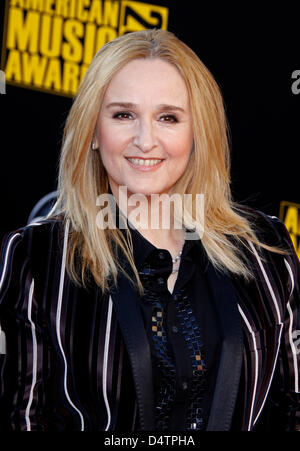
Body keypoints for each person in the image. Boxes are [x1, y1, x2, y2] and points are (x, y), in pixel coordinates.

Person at [0, 29, 299, 432]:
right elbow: (25, 418)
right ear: (92, 130)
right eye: (123, 115)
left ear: (197, 134)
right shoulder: (36, 257)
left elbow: (291, 408)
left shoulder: (264, 248)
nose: (145, 140)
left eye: (168, 117)